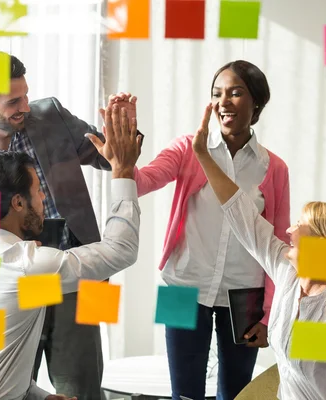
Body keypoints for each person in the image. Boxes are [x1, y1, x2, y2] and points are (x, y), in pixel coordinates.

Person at [0, 51, 139, 399]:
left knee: (84, 387)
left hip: (79, 273)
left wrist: (125, 129)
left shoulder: (49, 115)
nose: (26, 105)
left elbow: (109, 154)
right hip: (7, 292)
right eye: (13, 101)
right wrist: (2, 274)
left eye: (26, 94)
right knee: (10, 386)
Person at [191, 103, 326, 400]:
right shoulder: (287, 274)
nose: (289, 231)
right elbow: (242, 215)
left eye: (301, 226)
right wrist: (203, 155)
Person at [123, 61, 290, 399]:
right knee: (183, 393)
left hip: (247, 294)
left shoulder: (273, 167)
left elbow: (280, 244)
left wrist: (271, 314)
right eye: (217, 94)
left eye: (236, 92)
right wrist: (123, 158)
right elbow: (142, 182)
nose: (223, 101)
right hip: (180, 285)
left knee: (237, 394)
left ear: (256, 102)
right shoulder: (187, 148)